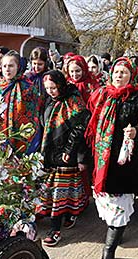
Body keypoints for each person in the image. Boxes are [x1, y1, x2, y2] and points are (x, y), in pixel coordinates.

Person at [85, 57, 138, 259]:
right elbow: (91, 123)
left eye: (124, 72)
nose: (118, 75)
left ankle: (109, 251)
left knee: (119, 208)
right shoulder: (101, 95)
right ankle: (116, 230)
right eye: (116, 71)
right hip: (102, 160)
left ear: (132, 76)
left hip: (125, 162)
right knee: (107, 206)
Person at [38, 70, 90, 246]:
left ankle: (55, 230)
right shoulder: (49, 101)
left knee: (59, 194)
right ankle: (68, 214)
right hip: (50, 152)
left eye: (53, 88)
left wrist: (70, 149)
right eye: (47, 88)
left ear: (60, 85)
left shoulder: (73, 100)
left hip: (67, 154)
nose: (50, 91)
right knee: (52, 192)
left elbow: (80, 127)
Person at [0, 50, 42, 154]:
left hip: (23, 138)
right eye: (4, 66)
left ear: (18, 67)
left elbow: (34, 116)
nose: (7, 69)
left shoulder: (28, 87)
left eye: (11, 66)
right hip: (1, 138)